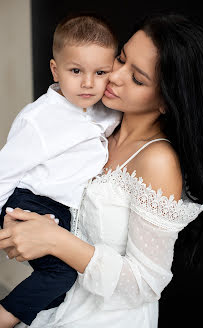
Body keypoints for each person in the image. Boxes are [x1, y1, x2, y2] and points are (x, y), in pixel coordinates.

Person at [0, 13, 203, 328]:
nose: (114, 77)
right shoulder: (92, 123)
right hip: (54, 305)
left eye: (137, 78)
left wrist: (55, 241)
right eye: (121, 59)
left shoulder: (157, 160)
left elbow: (145, 285)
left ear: (166, 101)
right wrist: (23, 229)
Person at [0, 14, 121, 327]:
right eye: (76, 70)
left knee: (59, 290)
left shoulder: (102, 110)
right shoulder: (39, 119)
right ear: (56, 69)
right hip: (30, 200)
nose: (88, 82)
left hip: (62, 209)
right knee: (61, 274)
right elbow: (5, 170)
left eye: (100, 72)